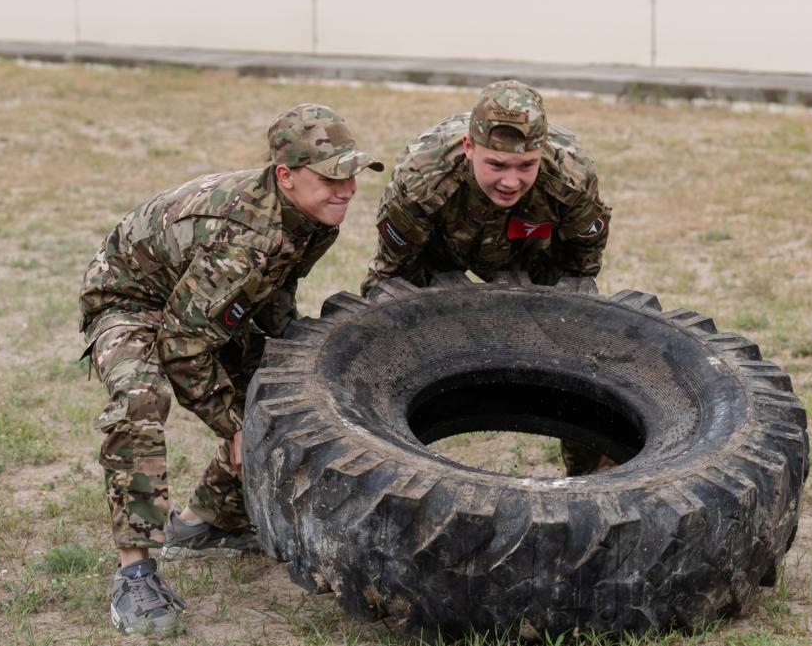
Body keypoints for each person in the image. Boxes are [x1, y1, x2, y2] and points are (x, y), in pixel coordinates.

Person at [78, 104, 382, 635]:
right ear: (286, 177)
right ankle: (134, 574)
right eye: (333, 176)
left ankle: (207, 524)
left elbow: (276, 286)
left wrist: (285, 351)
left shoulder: (314, 217)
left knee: (283, 384)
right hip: (131, 301)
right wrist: (233, 426)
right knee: (141, 401)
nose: (348, 188)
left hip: (199, 305)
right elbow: (181, 346)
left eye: (352, 172)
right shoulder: (241, 240)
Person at [360, 80, 611, 475]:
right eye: (496, 165)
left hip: (532, 252)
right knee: (383, 336)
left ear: (541, 153)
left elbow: (580, 265)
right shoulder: (422, 177)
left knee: (580, 347)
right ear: (468, 147)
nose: (511, 181)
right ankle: (379, 461)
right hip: (441, 251)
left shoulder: (570, 177)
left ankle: (590, 476)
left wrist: (557, 322)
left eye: (526, 166)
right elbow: (393, 275)